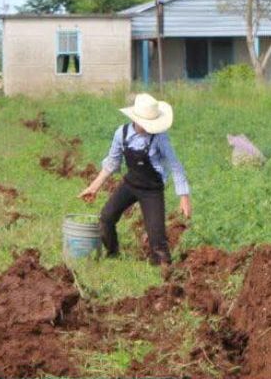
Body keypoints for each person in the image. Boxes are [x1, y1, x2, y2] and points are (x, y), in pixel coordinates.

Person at [79, 93, 191, 265]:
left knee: (157, 239)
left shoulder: (159, 137)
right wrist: (93, 187)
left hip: (152, 191)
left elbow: (175, 165)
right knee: (106, 218)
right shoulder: (121, 133)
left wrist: (184, 198)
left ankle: (163, 269)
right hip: (130, 185)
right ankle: (113, 252)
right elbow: (112, 163)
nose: (148, 127)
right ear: (136, 119)